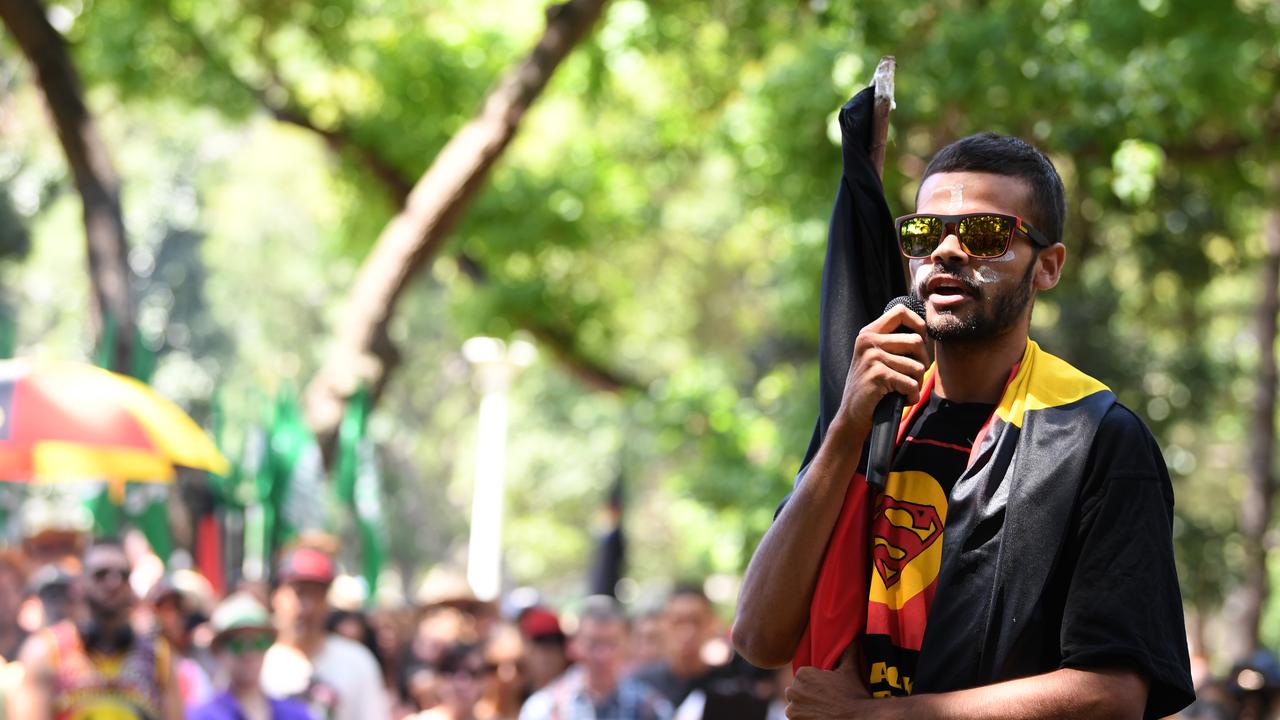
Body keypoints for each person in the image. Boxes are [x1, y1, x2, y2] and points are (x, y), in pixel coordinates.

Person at [732, 132, 1195, 718]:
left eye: (984, 234)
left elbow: (1113, 694)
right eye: (925, 233)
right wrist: (844, 429)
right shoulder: (874, 417)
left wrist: (876, 716)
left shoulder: (1094, 434)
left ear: (1048, 267)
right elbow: (758, 638)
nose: (947, 251)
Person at [9, 537, 183, 719]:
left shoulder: (157, 655)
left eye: (122, 575)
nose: (113, 583)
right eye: (101, 574)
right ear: (79, 584)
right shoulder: (46, 652)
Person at [260, 545, 391, 720]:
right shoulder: (256, 664)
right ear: (275, 596)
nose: (307, 607)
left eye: (317, 594)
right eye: (299, 593)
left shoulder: (357, 661)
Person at [520, 596, 671, 720]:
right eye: (593, 644)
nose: (602, 656)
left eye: (611, 644)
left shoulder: (649, 708)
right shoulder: (545, 708)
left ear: (627, 645)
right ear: (575, 645)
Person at [189, 591, 313, 720]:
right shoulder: (202, 716)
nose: (249, 652)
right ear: (219, 651)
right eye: (238, 643)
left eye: (259, 642)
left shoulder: (295, 714)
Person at [629, 586, 728, 711]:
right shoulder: (640, 687)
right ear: (663, 624)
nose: (687, 632)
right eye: (677, 621)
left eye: (696, 621)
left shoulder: (727, 685)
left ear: (711, 624)